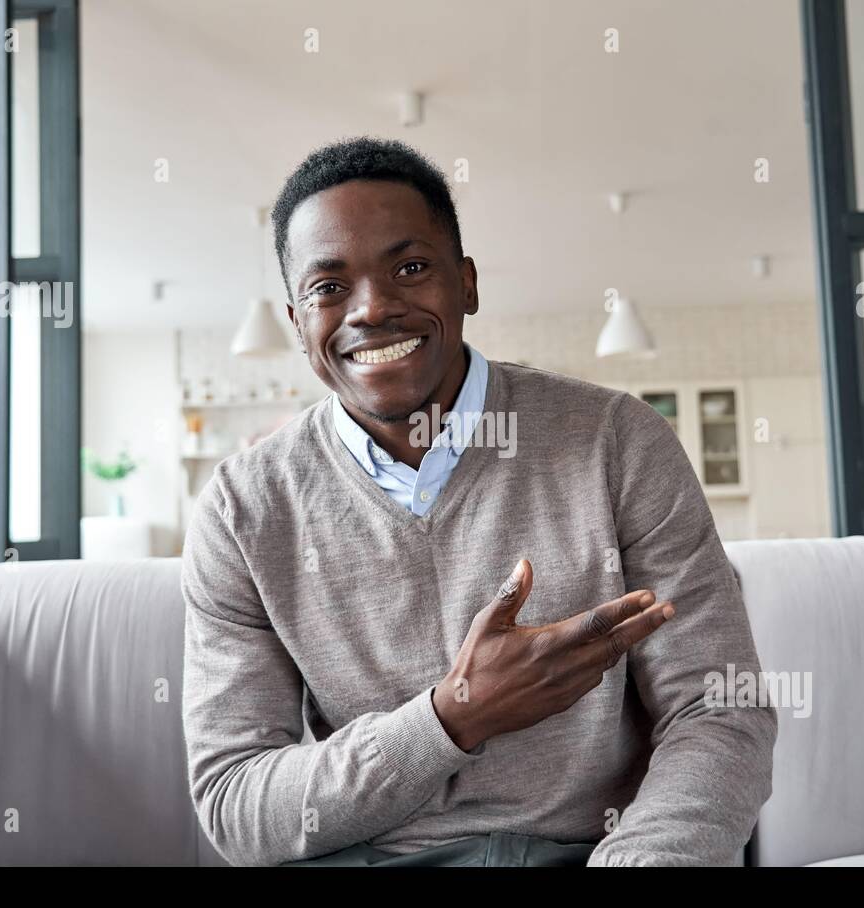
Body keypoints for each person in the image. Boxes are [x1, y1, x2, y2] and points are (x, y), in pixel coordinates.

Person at [181, 136, 777, 867]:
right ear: (299, 320)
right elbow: (235, 803)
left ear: (466, 283)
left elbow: (717, 706)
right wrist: (453, 715)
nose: (372, 309)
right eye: (329, 288)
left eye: (410, 268)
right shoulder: (243, 511)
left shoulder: (616, 441)